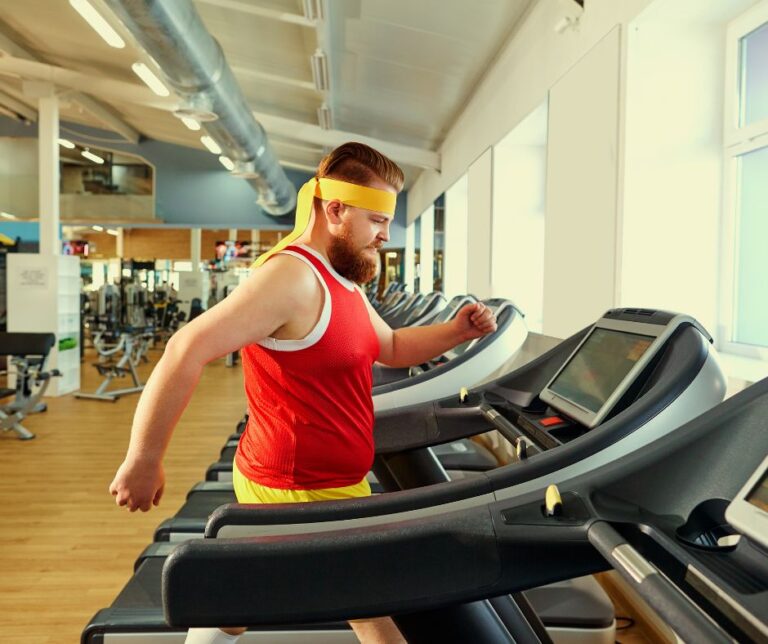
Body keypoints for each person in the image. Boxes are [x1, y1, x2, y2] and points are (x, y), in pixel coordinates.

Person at [109, 142, 497, 644]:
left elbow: (393, 345)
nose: (385, 234)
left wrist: (457, 331)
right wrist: (144, 458)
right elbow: (186, 348)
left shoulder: (344, 279)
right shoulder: (290, 279)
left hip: (330, 480)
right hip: (296, 485)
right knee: (375, 612)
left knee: (240, 602)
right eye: (376, 220)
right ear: (334, 210)